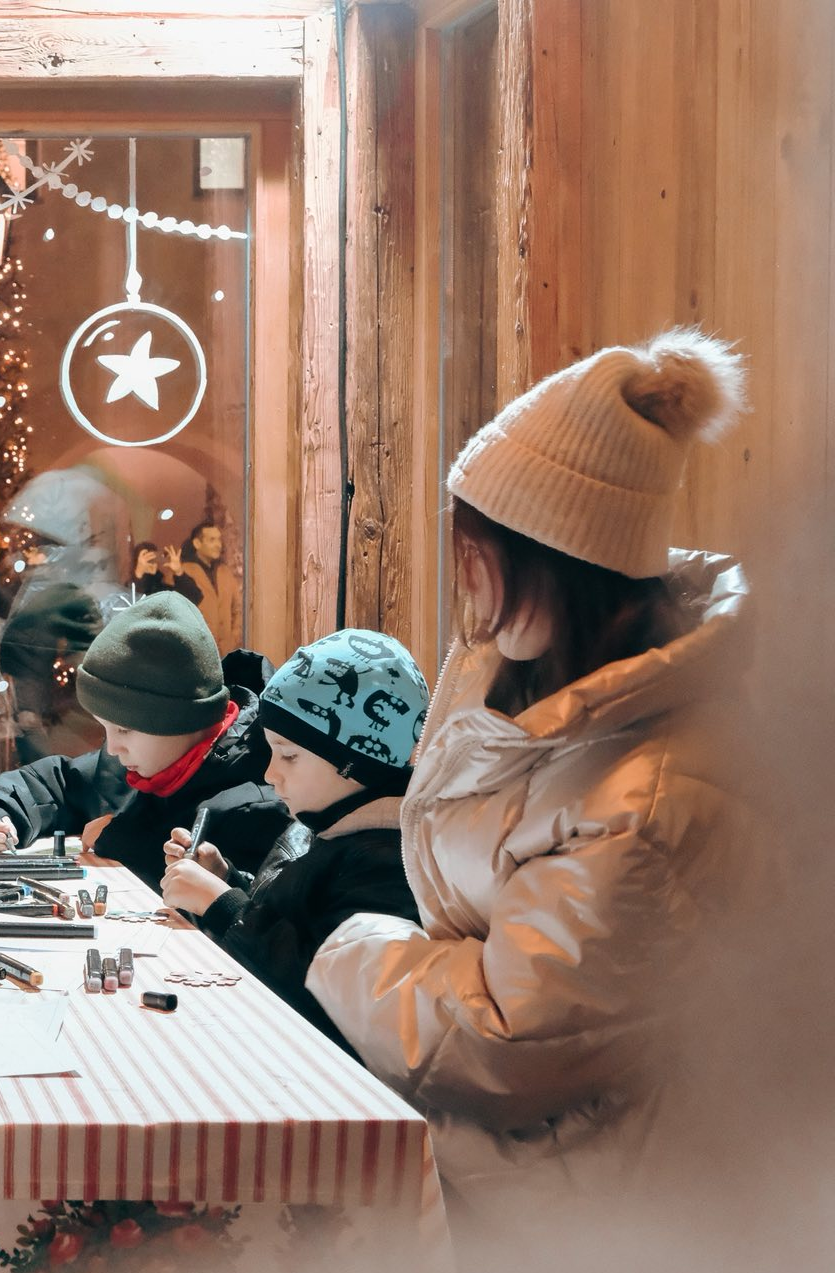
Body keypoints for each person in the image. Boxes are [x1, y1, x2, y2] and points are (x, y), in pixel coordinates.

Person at [306, 329, 754, 1209]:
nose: (467, 580)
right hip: (512, 1171)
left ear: (557, 562)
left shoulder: (643, 793)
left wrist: (345, 948)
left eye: (481, 553)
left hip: (589, 1214)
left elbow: (510, 1037)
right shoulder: (528, 693)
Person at [159, 629, 428, 1050]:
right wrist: (228, 878)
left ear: (352, 762)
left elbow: (322, 988)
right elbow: (294, 911)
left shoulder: (388, 864)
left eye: (289, 755)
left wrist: (223, 906)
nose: (271, 774)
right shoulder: (326, 821)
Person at [0, 592, 287, 887]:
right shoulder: (144, 760)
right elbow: (58, 782)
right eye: (107, 729)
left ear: (179, 719)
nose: (113, 748)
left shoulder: (260, 802)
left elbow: (241, 908)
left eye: (124, 730)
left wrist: (122, 841)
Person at [166, 519, 240, 653]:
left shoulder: (225, 572)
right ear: (197, 543)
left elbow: (238, 609)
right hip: (196, 651)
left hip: (226, 653)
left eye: (219, 540)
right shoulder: (182, 572)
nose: (218, 545)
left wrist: (233, 638)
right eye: (212, 540)